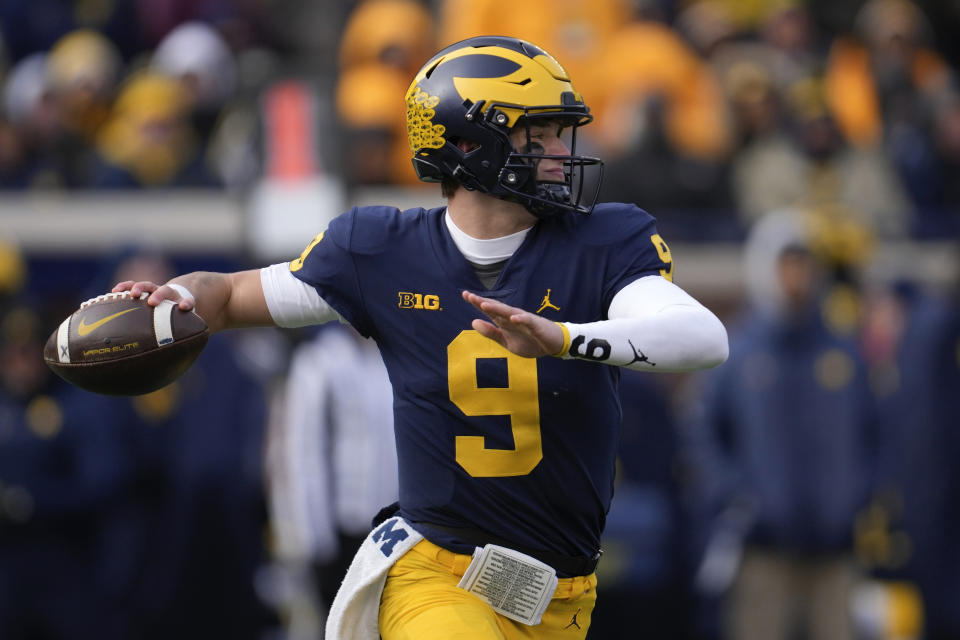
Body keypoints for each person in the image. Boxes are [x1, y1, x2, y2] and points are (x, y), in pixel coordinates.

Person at [112, 36, 728, 639]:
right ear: (469, 144)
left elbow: (701, 338)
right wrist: (179, 298)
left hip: (562, 599)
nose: (558, 155)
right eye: (535, 135)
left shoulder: (602, 242)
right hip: (439, 577)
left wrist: (566, 338)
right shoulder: (380, 250)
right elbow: (230, 295)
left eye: (556, 135)